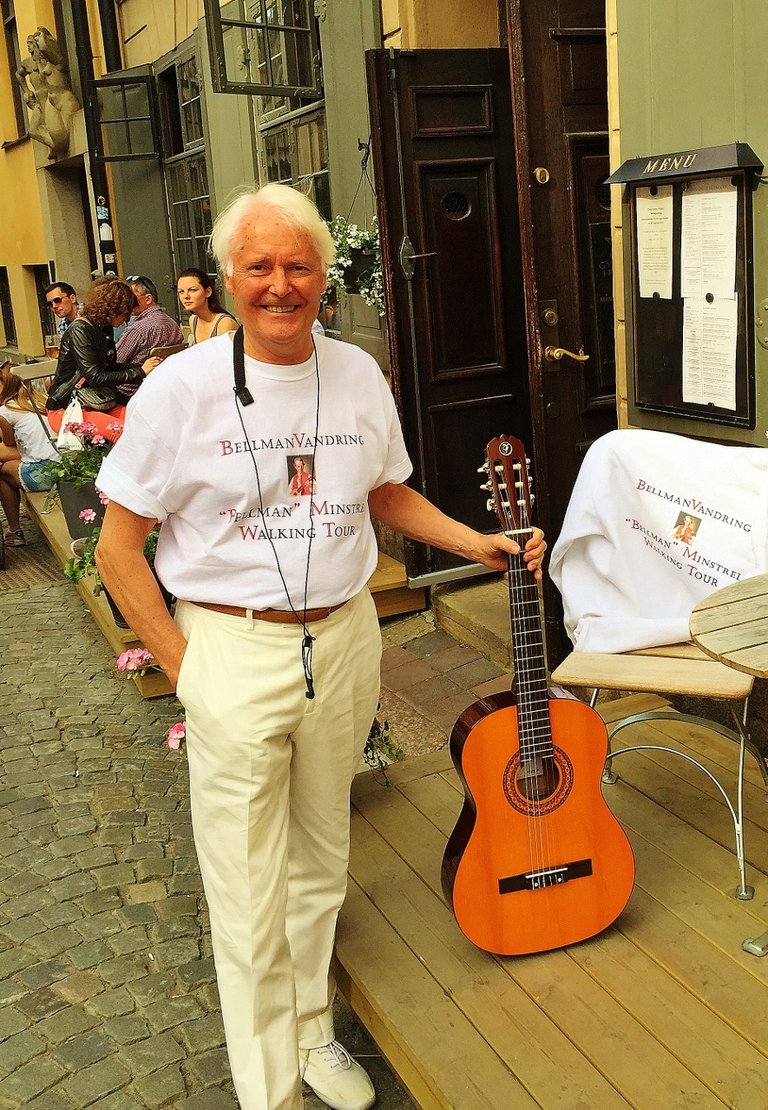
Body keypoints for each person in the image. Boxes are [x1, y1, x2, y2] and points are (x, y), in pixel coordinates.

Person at [93, 183, 546, 1110]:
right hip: (232, 646)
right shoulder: (179, 390)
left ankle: (310, 1033)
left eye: (298, 265)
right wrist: (190, 674)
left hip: (343, 642)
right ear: (225, 278)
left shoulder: (358, 375)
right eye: (258, 265)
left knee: (321, 862)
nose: (279, 283)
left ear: (324, 277)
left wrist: (478, 543)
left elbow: (384, 494)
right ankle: (268, 1091)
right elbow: (116, 549)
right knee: (247, 886)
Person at [45, 278, 158, 441]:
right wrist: (140, 371)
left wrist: (143, 368)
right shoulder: (80, 329)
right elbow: (96, 377)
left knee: (146, 426)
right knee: (125, 434)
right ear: (114, 309)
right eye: (125, 313)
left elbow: (109, 367)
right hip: (69, 406)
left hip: (98, 400)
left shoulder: (104, 327)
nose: (125, 320)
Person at [0, 362, 60, 547]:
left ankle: (15, 531)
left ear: (6, 384)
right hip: (66, 466)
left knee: (2, 473)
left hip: (45, 473)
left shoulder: (6, 411)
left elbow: (8, 444)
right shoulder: (43, 399)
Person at [116, 275, 185, 369]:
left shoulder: (137, 330)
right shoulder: (173, 325)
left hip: (137, 382)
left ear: (148, 299)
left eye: (130, 297)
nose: (126, 301)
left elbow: (115, 363)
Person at [176, 267, 238, 345]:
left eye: (192, 290)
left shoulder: (225, 324)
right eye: (181, 291)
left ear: (208, 292)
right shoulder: (193, 320)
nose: (186, 296)